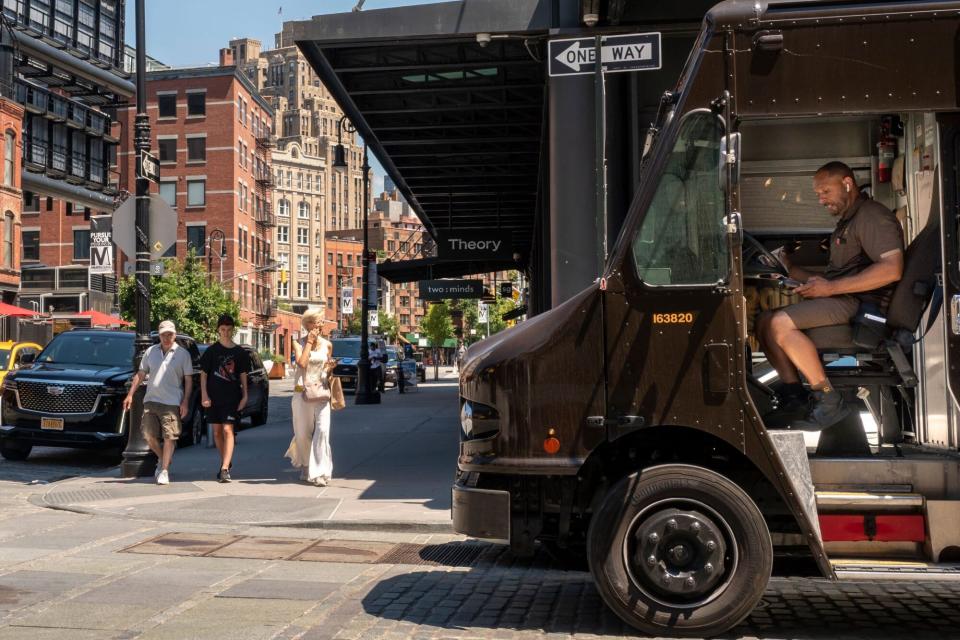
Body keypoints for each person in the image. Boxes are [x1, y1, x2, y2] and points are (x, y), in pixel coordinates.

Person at [756, 161, 904, 429]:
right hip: (842, 298)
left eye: (825, 191)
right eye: (818, 194)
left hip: (861, 307)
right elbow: (834, 279)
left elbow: (892, 270)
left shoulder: (872, 217)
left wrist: (830, 289)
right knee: (765, 320)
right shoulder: (848, 222)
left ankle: (828, 400)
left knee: (780, 323)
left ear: (847, 184)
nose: (821, 200)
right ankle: (795, 398)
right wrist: (788, 268)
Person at [122, 320, 194, 485]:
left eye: (170, 334)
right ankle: (163, 459)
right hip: (151, 400)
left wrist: (185, 402)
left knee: (170, 436)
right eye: (164, 335)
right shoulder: (150, 352)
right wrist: (130, 394)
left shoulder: (183, 354)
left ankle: (164, 470)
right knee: (148, 434)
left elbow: (188, 380)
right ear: (159, 336)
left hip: (172, 401)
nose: (167, 338)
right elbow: (140, 374)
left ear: (175, 335)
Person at [286, 310, 336, 486]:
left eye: (322, 322)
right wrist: (309, 342)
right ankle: (306, 464)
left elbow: (327, 369)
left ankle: (320, 472)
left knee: (322, 431)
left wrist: (330, 367)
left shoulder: (327, 345)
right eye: (316, 322)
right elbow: (301, 363)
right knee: (302, 433)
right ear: (307, 325)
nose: (320, 326)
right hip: (302, 392)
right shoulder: (298, 343)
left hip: (321, 392)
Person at [199, 314, 250, 483]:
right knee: (217, 433)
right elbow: (204, 375)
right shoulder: (211, 351)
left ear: (232, 330)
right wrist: (204, 395)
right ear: (218, 330)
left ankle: (224, 469)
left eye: (229, 330)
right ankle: (226, 461)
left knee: (228, 430)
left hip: (232, 397)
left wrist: (245, 396)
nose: (226, 333)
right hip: (213, 398)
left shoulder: (239, 352)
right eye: (223, 329)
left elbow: (243, 375)